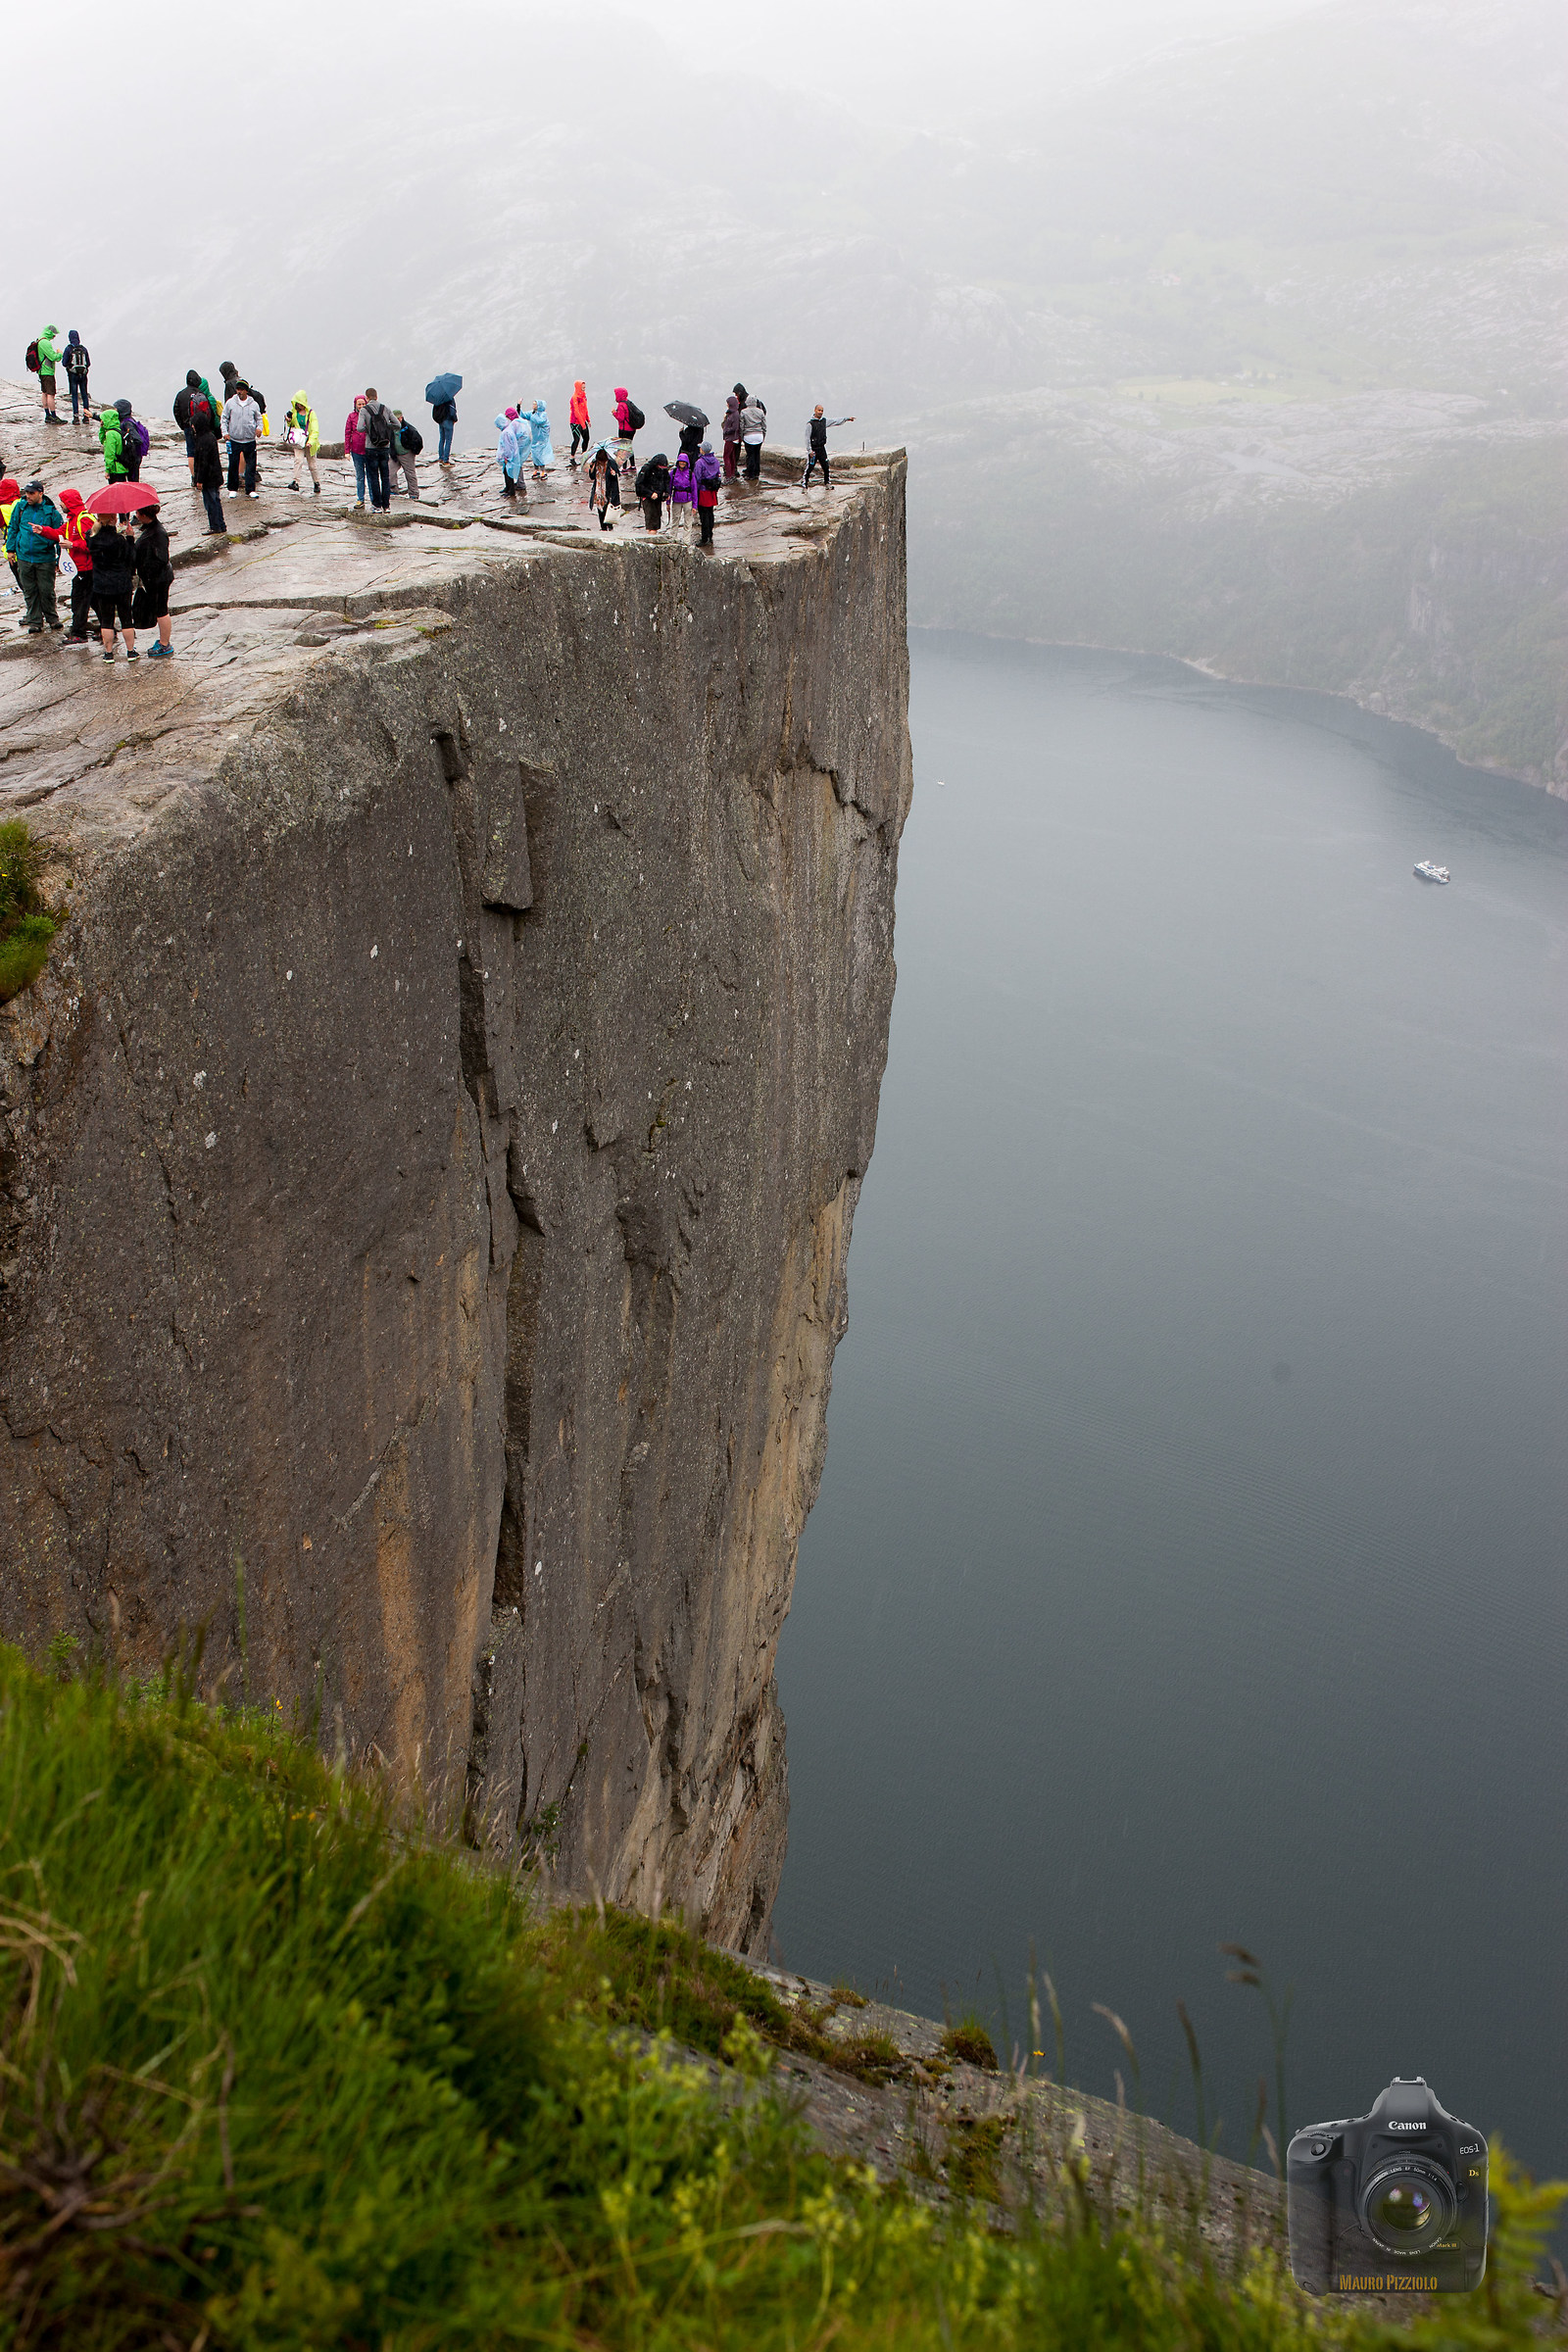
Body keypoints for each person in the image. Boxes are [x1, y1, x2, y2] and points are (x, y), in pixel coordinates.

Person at [4, 482, 66, 634]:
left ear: (40, 493)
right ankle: (35, 621)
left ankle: (52, 619)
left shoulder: (51, 512)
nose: (28, 496)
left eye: (31, 493)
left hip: (45, 557)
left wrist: (59, 558)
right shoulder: (21, 507)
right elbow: (13, 528)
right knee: (30, 591)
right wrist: (10, 549)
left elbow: (59, 535)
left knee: (46, 590)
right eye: (26, 493)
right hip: (24, 557)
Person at [88, 512, 137, 661]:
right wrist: (129, 538)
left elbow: (91, 534)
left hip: (101, 584)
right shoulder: (118, 540)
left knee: (106, 620)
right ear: (112, 519)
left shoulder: (92, 538)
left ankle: (108, 653)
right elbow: (131, 558)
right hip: (121, 583)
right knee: (126, 618)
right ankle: (130, 652)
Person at [132, 504, 175, 659]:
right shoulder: (150, 529)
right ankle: (164, 641)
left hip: (159, 578)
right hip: (155, 577)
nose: (136, 514)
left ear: (144, 515)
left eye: (137, 512)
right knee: (160, 609)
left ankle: (165, 644)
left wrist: (148, 570)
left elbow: (161, 558)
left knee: (161, 610)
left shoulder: (157, 533)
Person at [58, 489, 95, 642]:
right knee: (93, 600)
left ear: (70, 503)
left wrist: (72, 544)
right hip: (78, 567)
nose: (60, 504)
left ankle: (78, 633)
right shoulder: (73, 519)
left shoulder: (83, 520)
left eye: (63, 501)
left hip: (85, 568)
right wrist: (42, 531)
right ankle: (105, 628)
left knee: (79, 601)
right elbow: (57, 533)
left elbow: (91, 544)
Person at [173, 370, 220, 482]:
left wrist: (183, 425)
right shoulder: (201, 394)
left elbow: (176, 411)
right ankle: (202, 477)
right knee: (202, 451)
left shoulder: (181, 394)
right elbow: (209, 412)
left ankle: (194, 477)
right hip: (201, 428)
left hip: (187, 427)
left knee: (191, 452)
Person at [222, 379, 263, 498]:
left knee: (251, 465)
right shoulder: (230, 403)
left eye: (241, 389)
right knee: (233, 464)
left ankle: (250, 490)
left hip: (249, 440)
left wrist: (259, 429)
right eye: (237, 389)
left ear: (246, 391)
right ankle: (232, 488)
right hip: (234, 439)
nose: (239, 392)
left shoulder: (254, 404)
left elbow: (259, 419)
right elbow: (224, 418)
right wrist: (225, 432)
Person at [191, 409, 226, 534]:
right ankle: (221, 525)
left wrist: (199, 480)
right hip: (215, 476)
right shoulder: (211, 436)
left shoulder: (202, 440)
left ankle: (215, 526)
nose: (192, 427)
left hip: (208, 478)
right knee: (216, 500)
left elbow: (202, 463)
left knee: (210, 503)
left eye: (194, 424)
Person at [802, 406, 855, 489]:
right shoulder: (810, 424)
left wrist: (846, 419)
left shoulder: (824, 421)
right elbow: (807, 437)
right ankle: (805, 485)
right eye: (819, 410)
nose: (820, 412)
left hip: (822, 448)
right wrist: (809, 450)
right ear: (815, 410)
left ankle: (827, 483)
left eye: (822, 411)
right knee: (810, 467)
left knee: (826, 466)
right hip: (814, 449)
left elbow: (835, 421)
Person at [360, 388, 396, 510]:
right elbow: (398, 424)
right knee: (385, 477)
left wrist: (369, 429)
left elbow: (359, 428)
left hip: (371, 447)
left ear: (367, 397)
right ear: (377, 396)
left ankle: (377, 505)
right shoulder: (385, 408)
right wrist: (386, 427)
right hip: (385, 447)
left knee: (373, 476)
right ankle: (386, 505)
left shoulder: (364, 410)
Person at [282, 391, 322, 494]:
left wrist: (311, 441)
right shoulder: (294, 412)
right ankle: (296, 482)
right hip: (299, 441)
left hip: (309, 442)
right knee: (298, 460)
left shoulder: (311, 413)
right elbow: (292, 424)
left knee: (312, 465)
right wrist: (288, 420)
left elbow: (315, 429)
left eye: (300, 403)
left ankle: (316, 483)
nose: (298, 405)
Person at [584, 442, 619, 531]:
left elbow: (616, 477)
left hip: (609, 490)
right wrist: (591, 468)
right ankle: (603, 527)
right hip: (598, 490)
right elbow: (592, 477)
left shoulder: (611, 463)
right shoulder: (595, 463)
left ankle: (609, 525)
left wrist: (613, 474)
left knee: (608, 508)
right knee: (600, 509)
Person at [693, 440, 721, 547]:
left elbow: (697, 477)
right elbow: (718, 474)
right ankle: (710, 535)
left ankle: (704, 538)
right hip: (712, 491)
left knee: (703, 515)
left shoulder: (700, 462)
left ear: (703, 450)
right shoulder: (716, 461)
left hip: (703, 491)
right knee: (710, 513)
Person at [635, 451, 670, 531]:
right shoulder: (646, 469)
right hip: (648, 498)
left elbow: (667, 481)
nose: (662, 469)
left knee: (657, 521)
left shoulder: (663, 470)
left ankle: (654, 534)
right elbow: (639, 485)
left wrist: (667, 492)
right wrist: (650, 493)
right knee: (650, 520)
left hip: (658, 498)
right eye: (660, 467)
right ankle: (651, 538)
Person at [390, 410, 421, 500]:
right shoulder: (390, 428)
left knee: (410, 474)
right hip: (395, 454)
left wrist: (414, 451)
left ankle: (414, 493)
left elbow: (418, 441)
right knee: (390, 472)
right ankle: (393, 491)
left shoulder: (409, 429)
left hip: (406, 454)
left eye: (397, 419)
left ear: (401, 418)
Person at [344, 394, 368, 507]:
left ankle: (374, 499)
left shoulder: (369, 415)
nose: (361, 406)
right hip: (356, 451)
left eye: (363, 404)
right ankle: (360, 499)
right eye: (359, 404)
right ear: (355, 405)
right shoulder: (351, 416)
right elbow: (347, 433)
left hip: (369, 450)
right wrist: (347, 451)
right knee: (360, 476)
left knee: (371, 475)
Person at [98, 404, 131, 485]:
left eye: (103, 419)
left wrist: (108, 470)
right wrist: (102, 428)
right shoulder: (118, 431)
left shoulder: (110, 434)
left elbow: (110, 454)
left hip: (115, 470)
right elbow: (102, 440)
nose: (102, 421)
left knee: (116, 494)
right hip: (122, 467)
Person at [63, 333, 91, 424]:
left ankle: (76, 418)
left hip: (73, 375)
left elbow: (64, 363)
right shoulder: (83, 349)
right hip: (83, 375)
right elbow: (88, 363)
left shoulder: (69, 349)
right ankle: (86, 417)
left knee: (74, 395)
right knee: (84, 395)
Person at [612, 387, 641, 476]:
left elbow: (621, 418)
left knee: (624, 448)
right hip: (632, 429)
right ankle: (632, 466)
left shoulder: (621, 405)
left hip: (624, 429)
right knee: (629, 446)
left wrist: (614, 413)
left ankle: (624, 468)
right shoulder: (628, 402)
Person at [35, 327, 62, 423]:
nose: (54, 336)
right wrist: (59, 354)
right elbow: (53, 357)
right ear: (50, 333)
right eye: (54, 334)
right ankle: (53, 416)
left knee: (44, 392)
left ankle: (47, 415)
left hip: (41, 372)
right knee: (51, 394)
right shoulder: (45, 343)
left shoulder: (39, 340)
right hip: (48, 372)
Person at [668, 449, 696, 535]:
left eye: (684, 462)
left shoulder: (690, 474)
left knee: (688, 521)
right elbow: (669, 488)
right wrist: (668, 502)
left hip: (688, 500)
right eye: (680, 461)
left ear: (687, 462)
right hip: (676, 500)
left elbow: (694, 489)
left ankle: (686, 541)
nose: (682, 463)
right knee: (675, 520)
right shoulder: (673, 473)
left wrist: (695, 505)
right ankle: (673, 539)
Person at [741, 393, 767, 481]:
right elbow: (764, 425)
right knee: (757, 454)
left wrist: (742, 436)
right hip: (759, 435)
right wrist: (763, 435)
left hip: (748, 436)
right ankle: (756, 472)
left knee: (750, 455)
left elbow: (742, 425)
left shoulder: (743, 412)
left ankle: (750, 473)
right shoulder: (761, 411)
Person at [527, 400, 553, 480]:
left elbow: (540, 422)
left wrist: (532, 416)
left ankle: (543, 471)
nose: (533, 405)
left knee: (541, 455)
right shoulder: (533, 413)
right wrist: (518, 407)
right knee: (534, 454)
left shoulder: (543, 415)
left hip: (542, 439)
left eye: (535, 404)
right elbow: (524, 415)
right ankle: (536, 470)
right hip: (535, 438)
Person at [431, 388, 458, 466]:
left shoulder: (437, 398)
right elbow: (452, 411)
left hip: (441, 421)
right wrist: (455, 419)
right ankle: (446, 460)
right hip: (448, 421)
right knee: (448, 440)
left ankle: (441, 457)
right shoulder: (450, 397)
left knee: (442, 439)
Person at [721, 393, 743, 480]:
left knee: (726, 456)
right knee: (731, 456)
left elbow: (735, 427)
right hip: (733, 438)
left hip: (731, 438)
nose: (727, 404)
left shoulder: (734, 414)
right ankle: (732, 473)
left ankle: (729, 475)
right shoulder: (733, 413)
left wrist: (726, 431)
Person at [568, 380, 590, 467]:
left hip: (583, 421)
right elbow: (576, 412)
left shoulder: (584, 397)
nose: (584, 389)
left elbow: (585, 409)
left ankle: (583, 456)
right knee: (576, 439)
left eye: (584, 387)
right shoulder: (574, 398)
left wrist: (588, 419)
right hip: (575, 422)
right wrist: (582, 424)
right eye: (582, 387)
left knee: (587, 438)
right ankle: (572, 458)